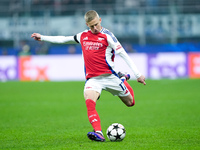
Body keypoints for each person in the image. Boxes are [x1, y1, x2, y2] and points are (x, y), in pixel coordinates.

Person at [31, 10, 146, 142]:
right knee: (89, 103)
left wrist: (138, 74)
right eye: (92, 26)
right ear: (87, 24)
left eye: (96, 24)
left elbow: (123, 53)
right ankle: (98, 132)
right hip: (93, 80)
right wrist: (43, 37)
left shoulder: (108, 36)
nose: (95, 28)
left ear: (100, 20)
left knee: (130, 103)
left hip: (110, 77)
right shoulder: (83, 36)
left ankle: (122, 78)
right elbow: (63, 39)